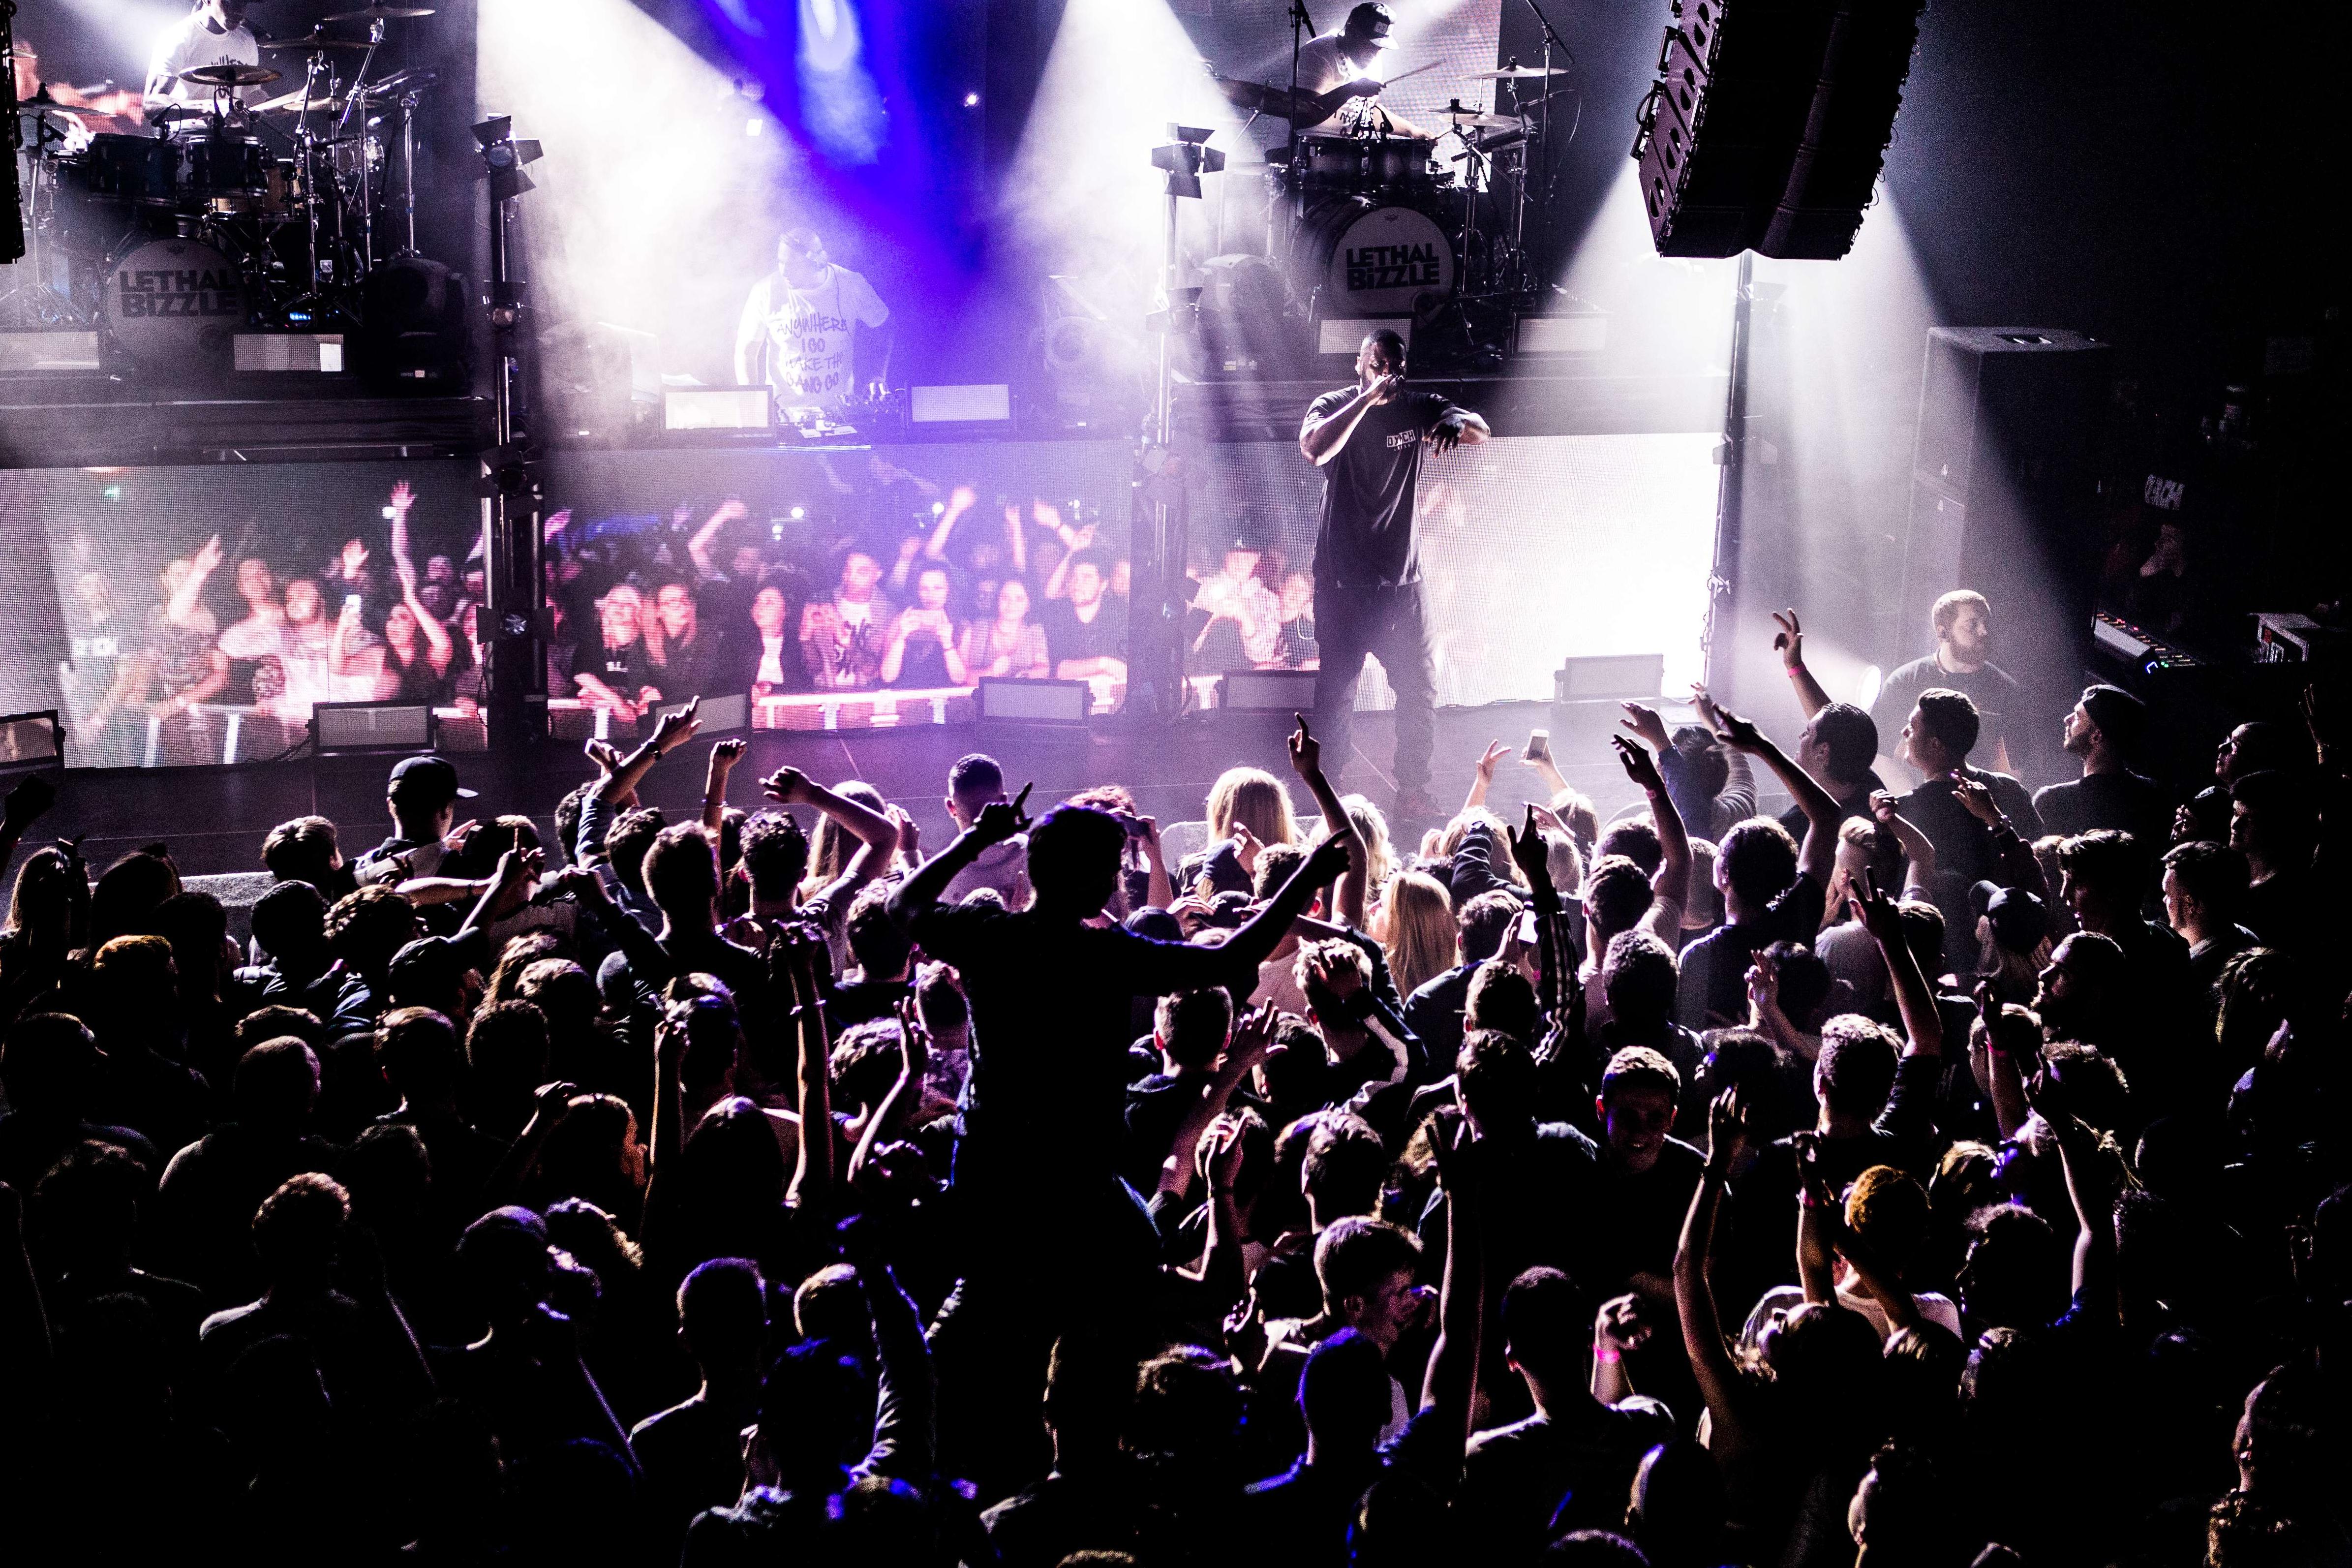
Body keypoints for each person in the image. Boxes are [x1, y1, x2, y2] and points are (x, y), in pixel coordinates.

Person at [1298, 328, 1489, 826]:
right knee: (1337, 688)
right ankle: (1328, 789)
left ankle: (1411, 789)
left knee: (1418, 688)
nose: (1387, 374)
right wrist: (1365, 401)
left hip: (1402, 585)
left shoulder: (1414, 405)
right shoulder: (1335, 404)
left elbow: (1479, 430)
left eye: (1395, 366)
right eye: (1377, 363)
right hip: (1343, 582)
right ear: (1359, 364)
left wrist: (1450, 419)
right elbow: (1313, 448)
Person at [733, 226, 893, 411]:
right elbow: (746, 352)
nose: (784, 272)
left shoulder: (851, 284)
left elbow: (885, 325)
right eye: (781, 262)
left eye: (793, 265)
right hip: (784, 413)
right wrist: (753, 407)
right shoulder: (765, 291)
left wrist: (878, 375)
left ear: (818, 262)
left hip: (840, 412)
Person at [1872, 590, 2025, 782]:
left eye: (1986, 624)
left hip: (1977, 806)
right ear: (1943, 633)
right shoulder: (1904, 682)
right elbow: (1880, 757)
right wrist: (1913, 802)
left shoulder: (2006, 691)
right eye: (1972, 625)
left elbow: (2018, 768)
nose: (1983, 631)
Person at [2034, 684, 2169, 843]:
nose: (2067, 719)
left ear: (2096, 736)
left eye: (2077, 716)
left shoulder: (2053, 801)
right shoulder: (2156, 797)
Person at [1290, 2, 1428, 137]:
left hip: (1354, 150)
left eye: (1380, 46)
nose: (1375, 51)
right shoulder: (1319, 52)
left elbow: (1371, 112)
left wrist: (1412, 131)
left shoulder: (1374, 59)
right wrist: (1351, 89)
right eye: (1370, 44)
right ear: (1352, 32)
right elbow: (1301, 117)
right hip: (1316, 149)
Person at [145, 0, 266, 120]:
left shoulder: (246, 40)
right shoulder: (178, 37)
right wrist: (210, 107)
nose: (239, 11)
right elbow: (151, 104)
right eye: (230, 2)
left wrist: (273, 105)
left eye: (244, 3)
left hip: (231, 133)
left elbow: (251, 94)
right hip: (187, 133)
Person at [801, 548, 894, 692]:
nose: (851, 578)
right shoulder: (823, 603)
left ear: (877, 575)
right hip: (824, 695)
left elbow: (876, 672)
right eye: (848, 570)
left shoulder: (888, 614)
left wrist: (848, 643)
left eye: (862, 572)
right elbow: (814, 669)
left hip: (866, 697)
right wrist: (806, 637)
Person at [571, 584, 662, 719]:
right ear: (606, 608)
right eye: (614, 602)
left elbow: (649, 684)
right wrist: (617, 702)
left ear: (638, 610)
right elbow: (582, 675)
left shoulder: (647, 641)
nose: (620, 607)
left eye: (628, 603)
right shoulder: (593, 637)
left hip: (639, 712)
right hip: (598, 713)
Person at [880, 564, 970, 689]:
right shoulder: (902, 621)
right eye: (924, 588)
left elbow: (960, 679)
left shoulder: (961, 626)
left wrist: (947, 644)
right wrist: (900, 638)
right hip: (905, 697)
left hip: (943, 700)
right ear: (917, 591)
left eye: (938, 588)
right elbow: (887, 677)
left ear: (949, 590)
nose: (930, 595)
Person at [1043, 551, 1127, 684]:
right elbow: (1059, 669)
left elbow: (1123, 666)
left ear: (1103, 585)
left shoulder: (1119, 614)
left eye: (1087, 577)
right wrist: (1103, 664)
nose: (1077, 584)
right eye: (1074, 577)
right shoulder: (1058, 613)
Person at [648, 580, 732, 701]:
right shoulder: (646, 639)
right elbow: (638, 678)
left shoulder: (705, 632)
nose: (683, 607)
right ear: (657, 611)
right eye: (673, 603)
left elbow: (699, 687)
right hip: (656, 711)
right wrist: (645, 692)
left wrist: (659, 701)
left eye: (684, 600)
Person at [960, 578, 1051, 680]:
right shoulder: (978, 629)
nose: (1011, 604)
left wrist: (1023, 677)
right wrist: (991, 672)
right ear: (997, 600)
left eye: (1020, 599)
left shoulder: (1035, 631)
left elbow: (1043, 668)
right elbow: (962, 677)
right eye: (1005, 598)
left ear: (1029, 605)